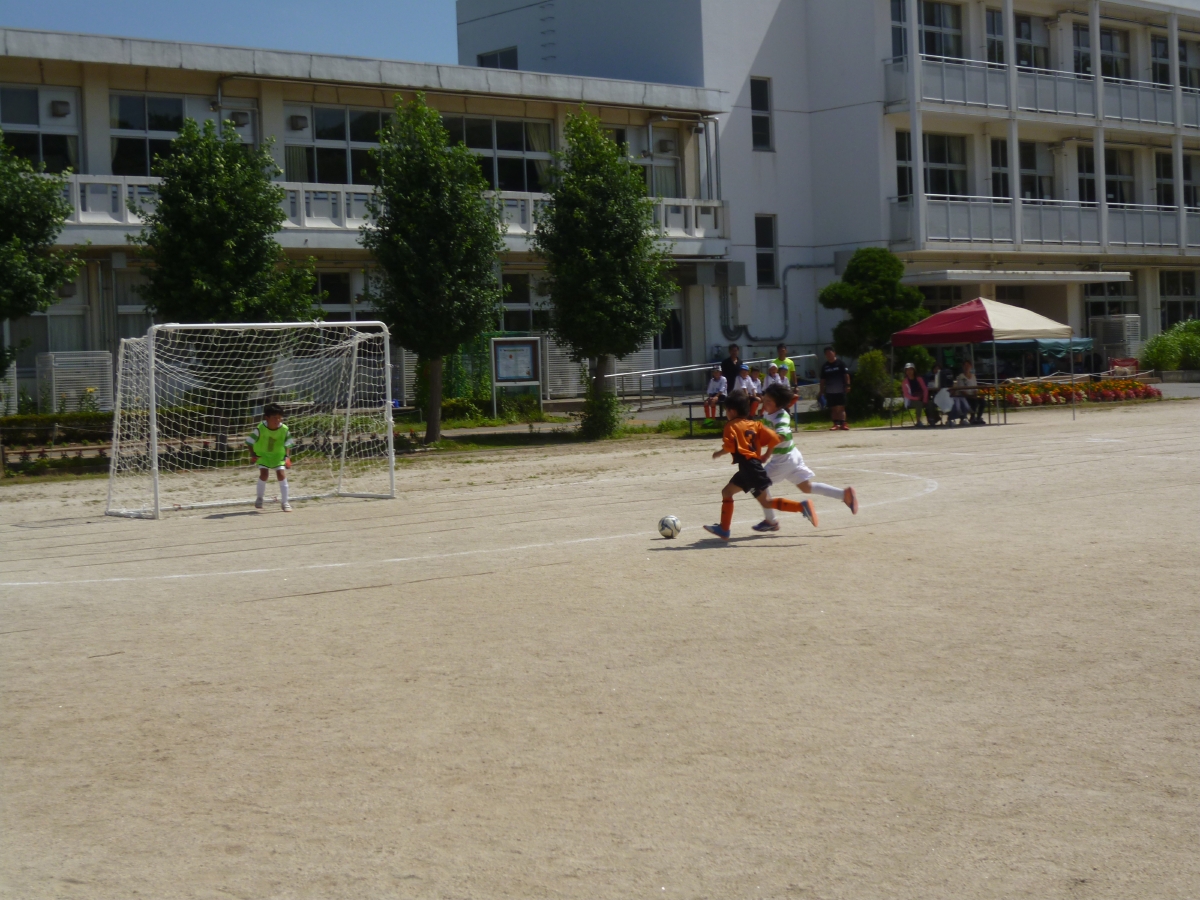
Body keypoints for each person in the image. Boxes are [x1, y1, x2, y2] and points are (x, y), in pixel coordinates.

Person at [703, 389, 813, 541]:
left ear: (732, 411)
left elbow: (729, 447)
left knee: (766, 502)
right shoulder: (755, 425)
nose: (726, 414)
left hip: (749, 469)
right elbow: (775, 438)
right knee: (727, 492)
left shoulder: (731, 426)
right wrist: (766, 453)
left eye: (726, 410)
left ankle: (802, 507)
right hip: (751, 466)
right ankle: (724, 529)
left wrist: (719, 453)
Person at [760, 383, 858, 527]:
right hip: (790, 456)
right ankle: (844, 494)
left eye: (769, 401)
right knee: (806, 487)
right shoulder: (768, 413)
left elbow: (781, 436)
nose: (765, 403)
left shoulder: (781, 417)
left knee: (759, 483)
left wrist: (765, 451)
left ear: (778, 404)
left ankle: (771, 520)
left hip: (783, 460)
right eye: (765, 399)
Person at [245, 401, 294, 511]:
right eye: (274, 417)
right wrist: (253, 455)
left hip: (278, 455)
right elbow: (249, 442)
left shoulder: (284, 429)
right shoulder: (260, 428)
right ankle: (259, 498)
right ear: (266, 418)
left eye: (279, 417)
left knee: (281, 474)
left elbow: (288, 443)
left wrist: (287, 457)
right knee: (264, 474)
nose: (278, 420)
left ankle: (285, 502)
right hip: (263, 455)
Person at [819, 347, 851, 430]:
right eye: (827, 354)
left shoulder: (840, 363)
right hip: (830, 390)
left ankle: (843, 424)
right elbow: (822, 379)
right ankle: (835, 424)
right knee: (833, 408)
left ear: (834, 353)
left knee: (841, 407)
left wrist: (848, 385)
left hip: (841, 389)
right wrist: (821, 391)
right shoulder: (825, 366)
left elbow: (846, 375)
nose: (829, 355)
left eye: (830, 353)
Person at [953, 359, 985, 425]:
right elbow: (962, 390)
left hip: (973, 395)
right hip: (964, 396)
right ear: (963, 367)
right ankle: (972, 418)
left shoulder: (973, 376)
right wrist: (970, 396)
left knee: (983, 401)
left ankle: (978, 417)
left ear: (971, 366)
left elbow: (975, 388)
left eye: (968, 365)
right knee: (974, 402)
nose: (966, 367)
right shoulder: (961, 377)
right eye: (965, 366)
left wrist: (975, 395)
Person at [901, 362, 930, 427]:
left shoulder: (919, 379)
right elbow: (906, 394)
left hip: (921, 397)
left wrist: (925, 399)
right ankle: (918, 421)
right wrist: (916, 398)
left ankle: (932, 419)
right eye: (907, 370)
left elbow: (925, 389)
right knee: (918, 403)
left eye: (911, 369)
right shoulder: (904, 382)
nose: (909, 371)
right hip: (910, 400)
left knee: (930, 403)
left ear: (914, 370)